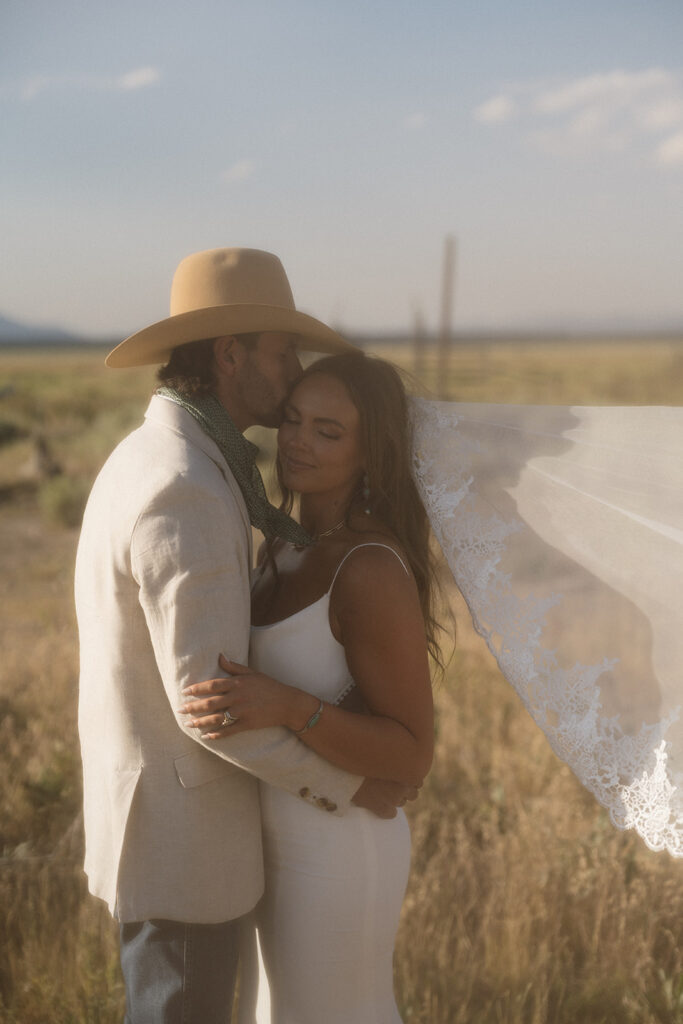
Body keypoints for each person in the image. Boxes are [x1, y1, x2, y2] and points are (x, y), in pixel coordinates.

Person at [75, 248, 415, 1024]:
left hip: (179, 834)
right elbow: (213, 703)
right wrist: (350, 784)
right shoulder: (185, 487)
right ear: (229, 355)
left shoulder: (163, 457)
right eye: (280, 350)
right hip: (184, 847)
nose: (293, 370)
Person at [179, 352, 440, 1023]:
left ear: (370, 452)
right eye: (293, 419)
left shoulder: (370, 567)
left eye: (328, 431)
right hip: (270, 838)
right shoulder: (282, 548)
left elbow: (411, 754)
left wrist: (294, 707)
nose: (297, 439)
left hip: (340, 846)